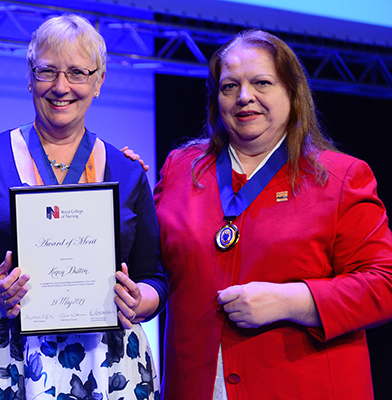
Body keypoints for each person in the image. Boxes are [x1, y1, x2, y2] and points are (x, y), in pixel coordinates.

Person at [0, 14, 167, 400]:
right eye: (47, 71)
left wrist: (140, 301)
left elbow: (154, 278)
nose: (61, 87)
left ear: (99, 81)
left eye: (77, 73)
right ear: (29, 76)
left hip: (105, 363)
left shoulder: (127, 172)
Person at [154, 29, 392, 399]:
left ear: (293, 94)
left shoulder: (340, 177)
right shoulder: (180, 170)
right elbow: (150, 266)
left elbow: (384, 284)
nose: (244, 96)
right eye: (230, 86)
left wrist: (292, 301)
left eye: (262, 82)